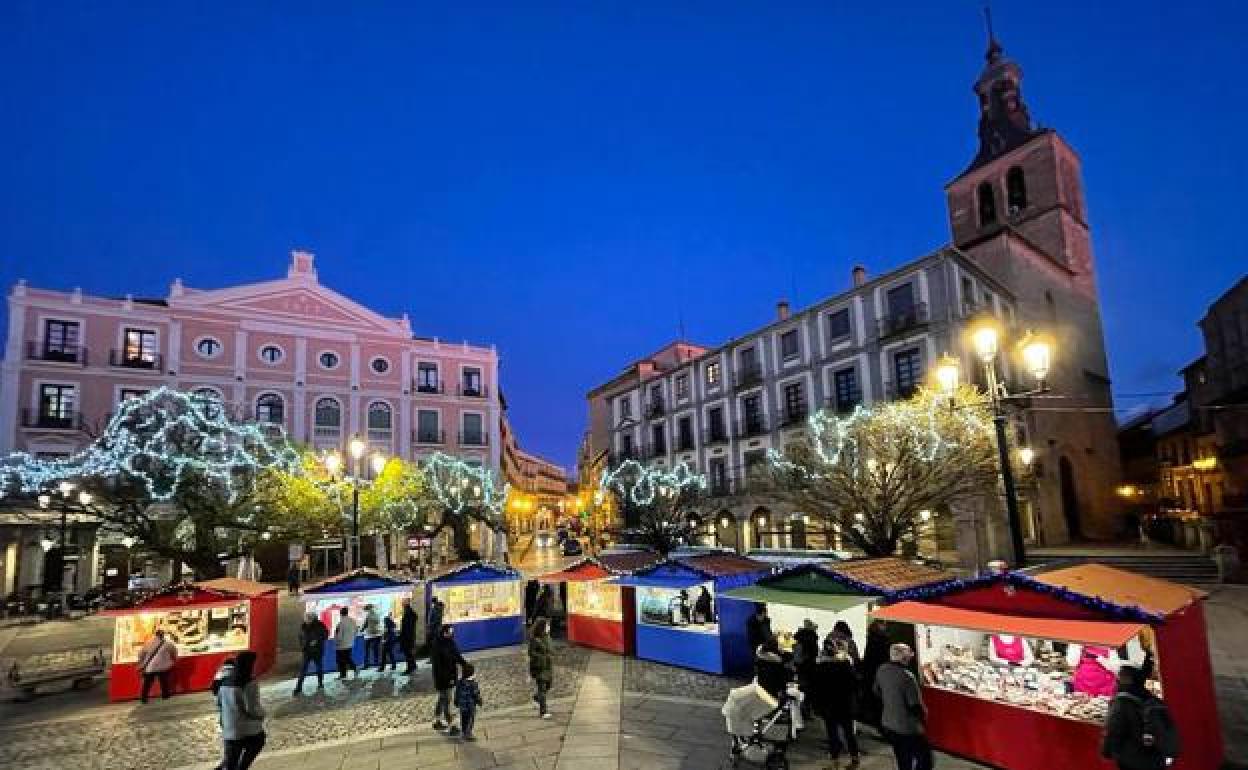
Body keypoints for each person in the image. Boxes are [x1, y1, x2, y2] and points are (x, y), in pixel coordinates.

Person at [1102, 665, 1181, 770]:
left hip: (1133, 760)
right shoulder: (1153, 699)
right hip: (1156, 760)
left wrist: (1106, 751)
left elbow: (1114, 730)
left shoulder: (1121, 702)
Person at [874, 643, 932, 770]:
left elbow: (876, 692)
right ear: (904, 658)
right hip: (907, 728)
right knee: (925, 759)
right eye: (908, 656)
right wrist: (923, 719)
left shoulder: (882, 669)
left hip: (889, 724)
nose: (911, 658)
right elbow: (915, 705)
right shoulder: (907, 677)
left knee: (903, 759)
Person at [815, 638, 861, 769]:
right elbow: (855, 683)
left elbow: (817, 688)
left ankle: (835, 763)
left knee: (832, 734)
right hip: (845, 704)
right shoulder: (846, 665)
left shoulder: (820, 667)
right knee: (849, 733)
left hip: (828, 706)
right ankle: (855, 760)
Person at [216, 650, 267, 770]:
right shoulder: (249, 683)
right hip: (247, 729)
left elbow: (219, 704)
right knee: (258, 741)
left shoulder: (225, 682)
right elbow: (252, 708)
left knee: (231, 762)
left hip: (230, 729)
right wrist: (262, 714)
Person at [431, 624, 466, 732]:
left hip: (450, 675)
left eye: (451, 632)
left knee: (442, 699)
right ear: (443, 632)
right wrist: (447, 679)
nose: (451, 634)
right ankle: (451, 725)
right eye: (449, 632)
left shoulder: (450, 642)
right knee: (447, 700)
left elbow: (456, 655)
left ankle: (436, 721)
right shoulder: (437, 645)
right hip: (442, 678)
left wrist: (465, 664)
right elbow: (438, 666)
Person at [860, 619, 891, 728]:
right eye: (883, 624)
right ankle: (880, 723)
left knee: (874, 698)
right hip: (878, 672)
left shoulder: (872, 639)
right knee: (878, 700)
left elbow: (868, 657)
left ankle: (876, 721)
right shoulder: (881, 640)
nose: (885, 626)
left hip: (871, 672)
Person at [137, 629, 178, 703]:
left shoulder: (148, 643)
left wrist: (142, 662)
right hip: (162, 666)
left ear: (156, 635)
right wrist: (173, 659)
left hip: (150, 667)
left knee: (147, 683)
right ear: (163, 635)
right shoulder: (168, 643)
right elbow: (174, 652)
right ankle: (165, 696)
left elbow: (141, 654)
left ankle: (144, 698)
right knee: (164, 681)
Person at [294, 612, 329, 695]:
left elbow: (325, 635)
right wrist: (302, 646)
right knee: (303, 670)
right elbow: (300, 637)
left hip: (317, 651)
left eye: (307, 618)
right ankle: (298, 687)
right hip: (307, 651)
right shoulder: (303, 626)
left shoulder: (320, 625)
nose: (305, 619)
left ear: (312, 618)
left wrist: (317, 640)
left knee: (319, 668)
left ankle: (320, 683)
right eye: (305, 618)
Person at [528, 617, 554, 719]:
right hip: (540, 667)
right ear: (542, 628)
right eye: (547, 626)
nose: (549, 627)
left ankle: (536, 698)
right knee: (542, 689)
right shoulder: (535, 639)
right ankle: (543, 712)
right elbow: (531, 653)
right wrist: (542, 657)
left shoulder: (547, 637)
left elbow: (551, 649)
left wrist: (551, 655)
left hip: (548, 666)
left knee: (548, 685)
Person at [793, 619, 820, 716]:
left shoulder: (799, 637)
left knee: (802, 687)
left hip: (801, 667)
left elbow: (796, 653)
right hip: (810, 667)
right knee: (809, 689)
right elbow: (815, 654)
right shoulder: (812, 638)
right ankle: (806, 709)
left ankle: (800, 709)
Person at [454, 661, 484, 741]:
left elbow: (456, 693)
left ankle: (464, 731)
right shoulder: (473, 684)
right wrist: (479, 701)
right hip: (470, 706)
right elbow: (476, 694)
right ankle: (468, 734)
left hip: (462, 706)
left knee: (463, 719)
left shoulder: (459, 682)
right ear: (472, 673)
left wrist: (456, 701)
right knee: (470, 720)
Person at [754, 635, 789, 700]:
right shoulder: (775, 659)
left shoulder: (759, 653)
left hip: (762, 682)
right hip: (772, 684)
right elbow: (780, 661)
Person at [333, 606, 359, 679]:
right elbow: (356, 631)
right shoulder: (352, 621)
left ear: (341, 613)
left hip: (341, 645)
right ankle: (346, 673)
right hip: (350, 643)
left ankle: (344, 674)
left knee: (341, 660)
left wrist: (336, 642)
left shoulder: (341, 623)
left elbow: (339, 635)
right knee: (347, 658)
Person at [398, 598, 418, 674]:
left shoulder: (408, 613)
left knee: (408, 653)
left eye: (403, 603)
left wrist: (402, 636)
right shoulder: (410, 612)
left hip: (407, 637)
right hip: (410, 636)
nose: (402, 604)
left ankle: (410, 668)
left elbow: (406, 627)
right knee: (409, 652)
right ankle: (413, 665)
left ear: (406, 604)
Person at [362, 604, 383, 669]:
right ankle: (377, 663)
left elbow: (365, 625)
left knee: (366, 650)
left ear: (367, 609)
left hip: (369, 635)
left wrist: (361, 629)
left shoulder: (368, 615)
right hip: (378, 634)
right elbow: (378, 622)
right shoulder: (377, 614)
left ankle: (366, 664)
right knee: (376, 650)